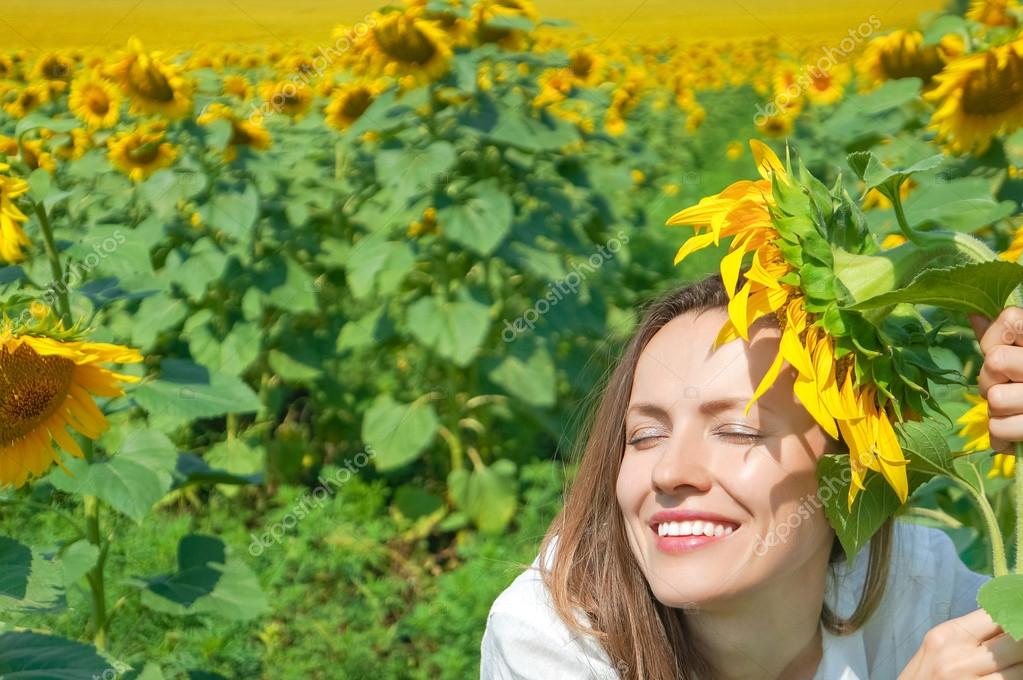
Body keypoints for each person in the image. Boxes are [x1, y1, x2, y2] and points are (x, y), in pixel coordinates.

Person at [480, 273, 1023, 680]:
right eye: (645, 436)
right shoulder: (555, 638)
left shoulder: (915, 586)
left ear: (854, 464)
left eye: (738, 431)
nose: (670, 471)